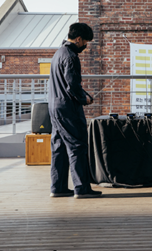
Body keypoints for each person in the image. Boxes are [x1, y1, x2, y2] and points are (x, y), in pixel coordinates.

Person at [48, 23, 102, 199]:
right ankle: (82, 188)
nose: (85, 46)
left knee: (59, 148)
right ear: (78, 39)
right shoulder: (71, 57)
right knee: (77, 146)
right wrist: (85, 99)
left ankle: (58, 188)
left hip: (54, 107)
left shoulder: (58, 53)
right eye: (85, 42)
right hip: (68, 109)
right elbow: (72, 86)